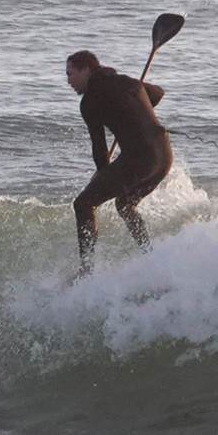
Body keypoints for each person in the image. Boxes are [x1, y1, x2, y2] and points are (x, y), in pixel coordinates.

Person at [64, 48, 170, 269]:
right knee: (125, 205)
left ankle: (86, 269)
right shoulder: (128, 82)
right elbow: (158, 93)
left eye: (70, 74)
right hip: (164, 157)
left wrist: (101, 175)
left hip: (140, 160)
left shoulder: (90, 101)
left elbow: (100, 149)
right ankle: (149, 254)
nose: (68, 81)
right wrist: (136, 103)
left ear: (86, 70)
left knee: (83, 204)